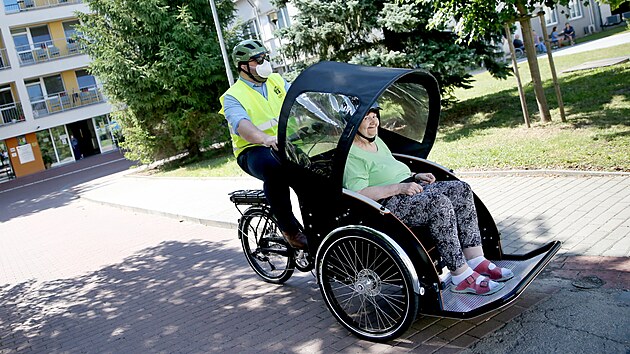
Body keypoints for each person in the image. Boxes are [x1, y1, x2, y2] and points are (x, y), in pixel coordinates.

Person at [343, 106, 514, 295]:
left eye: (375, 116)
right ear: (353, 124)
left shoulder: (377, 141)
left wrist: (416, 176)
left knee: (461, 190)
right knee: (438, 203)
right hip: (386, 203)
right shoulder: (351, 155)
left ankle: (476, 260)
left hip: (408, 188)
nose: (374, 122)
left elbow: (390, 169)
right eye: (366, 118)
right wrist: (399, 188)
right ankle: (460, 276)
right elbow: (358, 193)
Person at [219, 39, 307, 250]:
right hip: (253, 151)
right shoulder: (232, 96)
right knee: (274, 169)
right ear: (243, 66)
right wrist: (265, 138)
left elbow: (301, 101)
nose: (264, 62)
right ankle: (290, 231)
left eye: (265, 57)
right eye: (258, 60)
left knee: (316, 168)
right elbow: (242, 125)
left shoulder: (276, 80)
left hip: (286, 143)